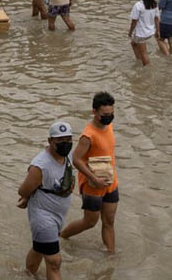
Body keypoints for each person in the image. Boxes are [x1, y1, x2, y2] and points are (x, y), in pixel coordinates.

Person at [61, 92, 119, 254]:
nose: (109, 117)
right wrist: (94, 178)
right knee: (90, 222)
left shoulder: (110, 126)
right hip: (92, 185)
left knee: (109, 221)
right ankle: (63, 236)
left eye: (111, 114)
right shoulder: (88, 135)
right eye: (105, 115)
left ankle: (111, 255)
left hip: (110, 182)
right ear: (94, 112)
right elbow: (76, 159)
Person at [18, 120, 76, 280]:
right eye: (60, 140)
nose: (65, 143)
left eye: (68, 140)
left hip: (58, 215)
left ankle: (28, 274)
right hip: (43, 217)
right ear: (50, 141)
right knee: (54, 261)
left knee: (39, 248)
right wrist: (27, 196)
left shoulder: (68, 155)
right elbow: (22, 190)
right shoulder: (40, 166)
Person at [127, 0, 160, 66]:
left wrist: (130, 32)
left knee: (144, 53)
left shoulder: (138, 5)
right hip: (150, 32)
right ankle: (138, 60)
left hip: (141, 34)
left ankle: (147, 69)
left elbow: (134, 21)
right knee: (133, 43)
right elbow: (156, 18)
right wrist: (157, 31)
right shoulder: (154, 4)